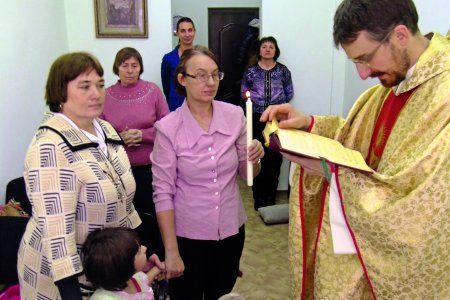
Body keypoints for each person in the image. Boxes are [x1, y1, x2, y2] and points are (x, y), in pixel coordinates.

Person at [260, 0, 450, 299]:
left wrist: (327, 170)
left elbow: (423, 205)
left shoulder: (443, 94)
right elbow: (356, 136)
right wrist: (308, 123)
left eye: (366, 58)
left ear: (400, 35)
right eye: (355, 63)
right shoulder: (391, 86)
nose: (363, 75)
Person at [17, 52, 142, 299]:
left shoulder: (104, 129)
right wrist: (69, 291)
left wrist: (139, 250)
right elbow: (56, 232)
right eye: (84, 86)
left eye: (100, 85)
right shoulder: (50, 146)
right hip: (62, 279)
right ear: (59, 93)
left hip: (107, 267)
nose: (96, 93)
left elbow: (123, 199)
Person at [151, 45, 265, 300]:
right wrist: (171, 251)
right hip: (187, 237)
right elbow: (163, 193)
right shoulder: (169, 129)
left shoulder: (235, 115)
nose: (210, 82)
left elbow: (247, 176)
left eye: (215, 74)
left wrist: (254, 159)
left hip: (230, 232)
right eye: (201, 75)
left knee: (221, 294)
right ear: (182, 79)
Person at [100, 47, 169, 259]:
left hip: (150, 170)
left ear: (140, 68)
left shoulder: (153, 91)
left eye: (134, 65)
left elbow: (168, 127)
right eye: (124, 65)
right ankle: (128, 265)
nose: (130, 70)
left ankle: (155, 263)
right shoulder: (105, 96)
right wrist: (119, 138)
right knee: (124, 221)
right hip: (118, 172)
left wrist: (144, 135)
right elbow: (98, 132)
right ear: (116, 68)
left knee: (151, 219)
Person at [241, 36, 294, 210]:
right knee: (257, 156)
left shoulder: (283, 71)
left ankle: (270, 197)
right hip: (256, 119)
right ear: (259, 50)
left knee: (274, 158)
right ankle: (259, 196)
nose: (268, 49)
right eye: (264, 46)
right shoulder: (251, 72)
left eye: (271, 47)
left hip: (276, 120)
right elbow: (244, 92)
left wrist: (277, 107)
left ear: (275, 50)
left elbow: (289, 92)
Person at [82, 227, 164, 300]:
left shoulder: (134, 280)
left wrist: (159, 268)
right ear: (124, 266)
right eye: (138, 251)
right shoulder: (104, 298)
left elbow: (143, 283)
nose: (145, 248)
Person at [161, 17, 196, 111]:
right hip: (176, 105)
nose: (187, 34)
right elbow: (166, 86)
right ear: (177, 33)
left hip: (197, 103)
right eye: (183, 31)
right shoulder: (168, 58)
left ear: (194, 32)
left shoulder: (202, 56)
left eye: (190, 30)